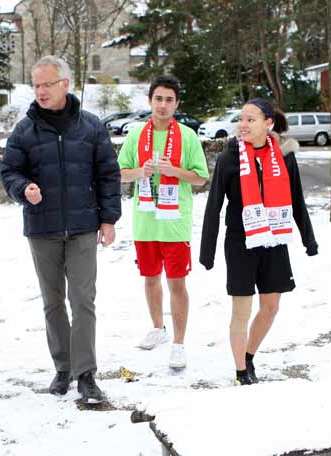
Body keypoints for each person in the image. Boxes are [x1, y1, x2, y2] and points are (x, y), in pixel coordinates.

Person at [0, 56, 121, 403]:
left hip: (83, 228)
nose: (40, 91)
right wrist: (23, 189)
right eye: (35, 85)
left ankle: (86, 373)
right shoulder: (24, 130)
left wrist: (108, 219)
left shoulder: (91, 126)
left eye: (46, 84)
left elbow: (108, 175)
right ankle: (63, 367)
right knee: (52, 302)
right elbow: (9, 172)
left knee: (83, 300)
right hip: (42, 229)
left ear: (65, 84)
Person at [199, 98, 318, 385]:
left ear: (268, 124)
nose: (243, 125)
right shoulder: (230, 158)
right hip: (240, 241)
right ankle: (241, 371)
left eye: (251, 119)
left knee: (271, 306)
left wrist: (308, 239)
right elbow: (214, 203)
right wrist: (207, 250)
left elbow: (297, 201)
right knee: (242, 308)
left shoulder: (284, 157)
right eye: (241, 119)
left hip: (274, 239)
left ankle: (248, 355)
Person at [118, 76, 209, 369]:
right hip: (145, 221)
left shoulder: (188, 136)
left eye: (169, 100)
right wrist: (139, 172)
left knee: (177, 283)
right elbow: (119, 172)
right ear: (149, 101)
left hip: (174, 223)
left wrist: (176, 170)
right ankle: (158, 327)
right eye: (158, 98)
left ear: (177, 104)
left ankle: (179, 343)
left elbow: (201, 178)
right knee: (150, 278)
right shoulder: (136, 135)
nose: (163, 105)